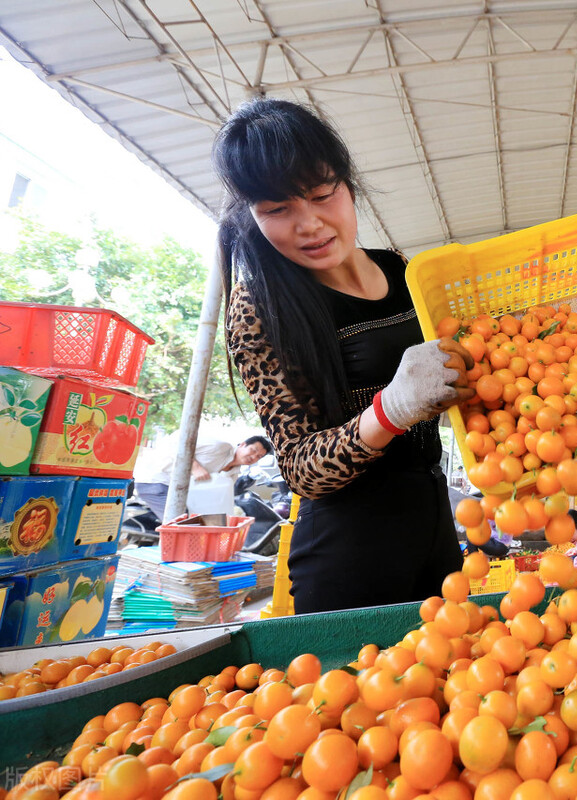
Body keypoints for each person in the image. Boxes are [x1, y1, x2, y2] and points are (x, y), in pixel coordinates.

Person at [213, 98, 476, 613]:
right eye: (276, 210)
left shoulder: (400, 269)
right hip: (349, 553)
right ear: (253, 214)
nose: (308, 224)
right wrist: (392, 408)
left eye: (320, 195)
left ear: (347, 185)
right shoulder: (259, 307)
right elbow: (299, 469)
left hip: (436, 522)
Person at [134, 435, 272, 523]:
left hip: (181, 494)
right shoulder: (220, 447)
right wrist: (195, 466)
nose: (253, 457)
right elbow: (178, 442)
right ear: (242, 445)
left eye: (259, 457)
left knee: (200, 523)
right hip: (157, 482)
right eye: (253, 450)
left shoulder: (232, 475)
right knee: (181, 525)